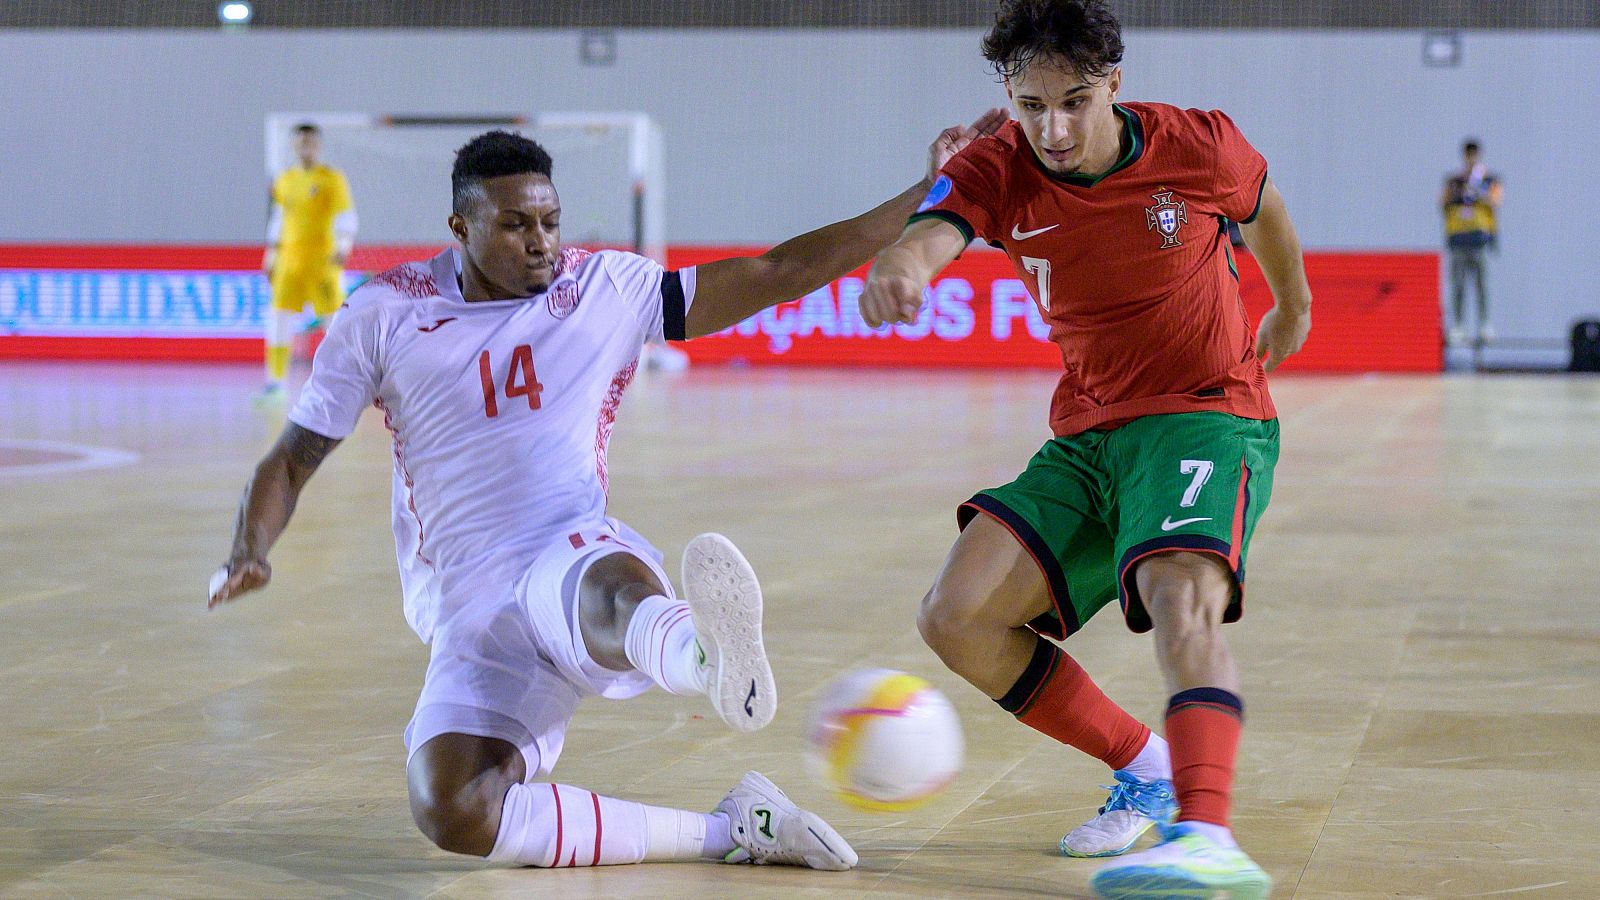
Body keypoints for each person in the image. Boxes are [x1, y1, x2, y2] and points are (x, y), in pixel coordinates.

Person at [209, 113, 1005, 871]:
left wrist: (923, 193)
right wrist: (250, 549)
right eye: (516, 225)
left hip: (567, 549)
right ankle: (735, 830)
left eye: (550, 221)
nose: (542, 242)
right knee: (453, 809)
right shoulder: (382, 315)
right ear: (460, 229)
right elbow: (294, 456)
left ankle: (706, 655)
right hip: (466, 606)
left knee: (603, 587)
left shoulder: (604, 288)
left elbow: (780, 271)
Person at [859, 2, 1311, 897]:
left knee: (1180, 591)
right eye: (1031, 105)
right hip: (1089, 430)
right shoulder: (996, 164)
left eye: (1073, 101)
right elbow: (940, 226)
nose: (1052, 128)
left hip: (1203, 412)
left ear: (1114, 83)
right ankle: (1144, 763)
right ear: (1008, 96)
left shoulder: (1198, 145)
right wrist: (905, 266)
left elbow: (1263, 207)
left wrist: (1292, 305)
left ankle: (1208, 835)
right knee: (955, 616)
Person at [262, 123, 358, 399]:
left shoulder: (332, 179)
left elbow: (346, 215)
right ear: (294, 145)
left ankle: (343, 382)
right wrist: (271, 254)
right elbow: (278, 219)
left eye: (311, 142)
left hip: (322, 263)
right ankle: (275, 384)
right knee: (279, 318)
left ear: (319, 146)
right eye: (301, 142)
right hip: (289, 262)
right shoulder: (284, 180)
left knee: (334, 321)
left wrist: (343, 244)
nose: (307, 147)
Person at [1441, 139, 1502, 345]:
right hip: (1459, 237)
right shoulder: (1454, 180)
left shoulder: (1489, 179)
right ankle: (1458, 325)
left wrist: (1478, 193)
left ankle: (1485, 324)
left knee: (1481, 284)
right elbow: (1442, 202)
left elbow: (1495, 202)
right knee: (1458, 284)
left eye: (1474, 155)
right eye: (1468, 155)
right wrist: (1461, 191)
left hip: (1479, 238)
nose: (1471, 159)